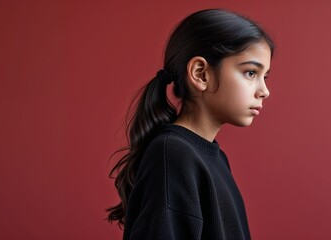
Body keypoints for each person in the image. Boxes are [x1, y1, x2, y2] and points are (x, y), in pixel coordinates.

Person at [107, 8, 274, 240]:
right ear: (201, 74)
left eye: (265, 76)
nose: (264, 91)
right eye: (250, 73)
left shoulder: (210, 156)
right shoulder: (173, 155)